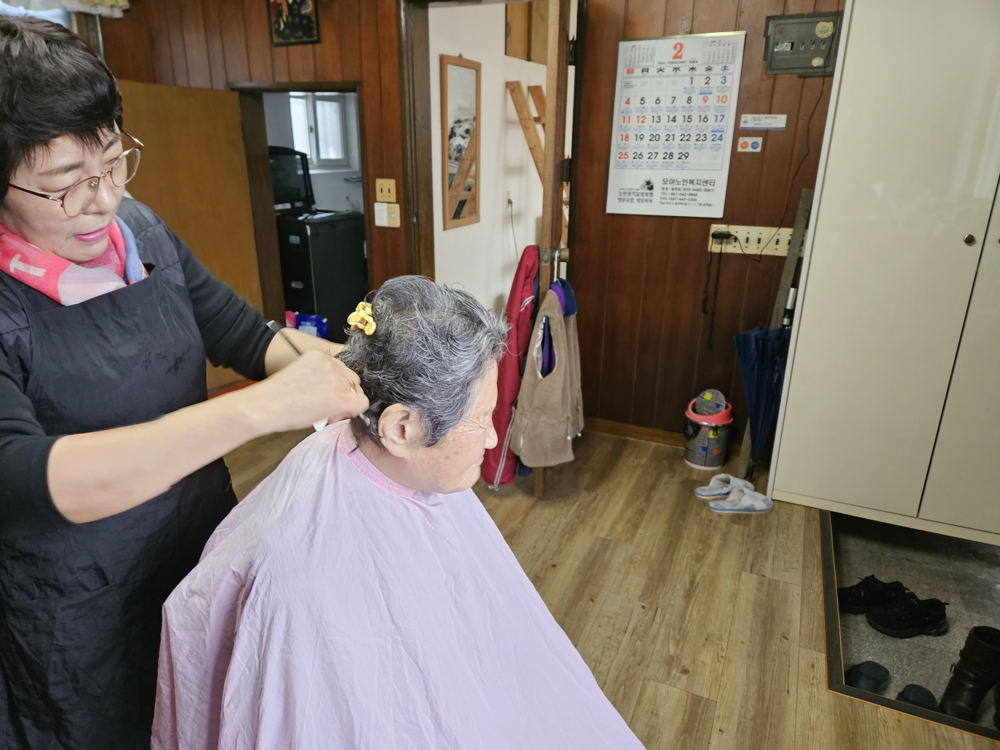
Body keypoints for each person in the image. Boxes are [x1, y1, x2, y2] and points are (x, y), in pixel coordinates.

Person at [0, 17, 368, 749]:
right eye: (65, 183)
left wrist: (364, 369)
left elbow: (249, 338)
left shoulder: (141, 233)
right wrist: (261, 411)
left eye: (114, 162)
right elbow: (29, 478)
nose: (103, 200)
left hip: (195, 559)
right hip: (78, 614)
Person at [152, 276, 645, 750]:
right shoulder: (299, 576)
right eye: (480, 420)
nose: (494, 438)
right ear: (401, 428)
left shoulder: (417, 471)